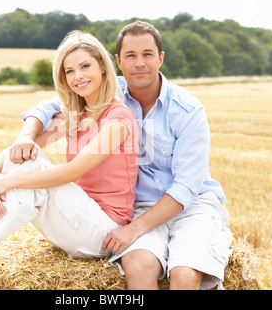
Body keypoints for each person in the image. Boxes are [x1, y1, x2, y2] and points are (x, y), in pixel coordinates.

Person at [13, 21, 233, 290]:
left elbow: (185, 188)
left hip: (193, 206)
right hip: (140, 206)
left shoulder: (188, 111)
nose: (139, 63)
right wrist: (25, 136)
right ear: (117, 62)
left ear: (160, 58)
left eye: (147, 54)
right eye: (130, 55)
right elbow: (50, 106)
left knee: (184, 275)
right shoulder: (107, 89)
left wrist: (134, 229)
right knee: (138, 266)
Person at [0, 30, 139, 272]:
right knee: (26, 154)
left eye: (85, 66)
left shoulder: (118, 118)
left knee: (32, 167)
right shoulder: (76, 115)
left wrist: (6, 182)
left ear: (102, 66)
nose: (77, 76)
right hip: (74, 222)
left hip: (102, 233)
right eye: (69, 71)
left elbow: (72, 172)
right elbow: (18, 151)